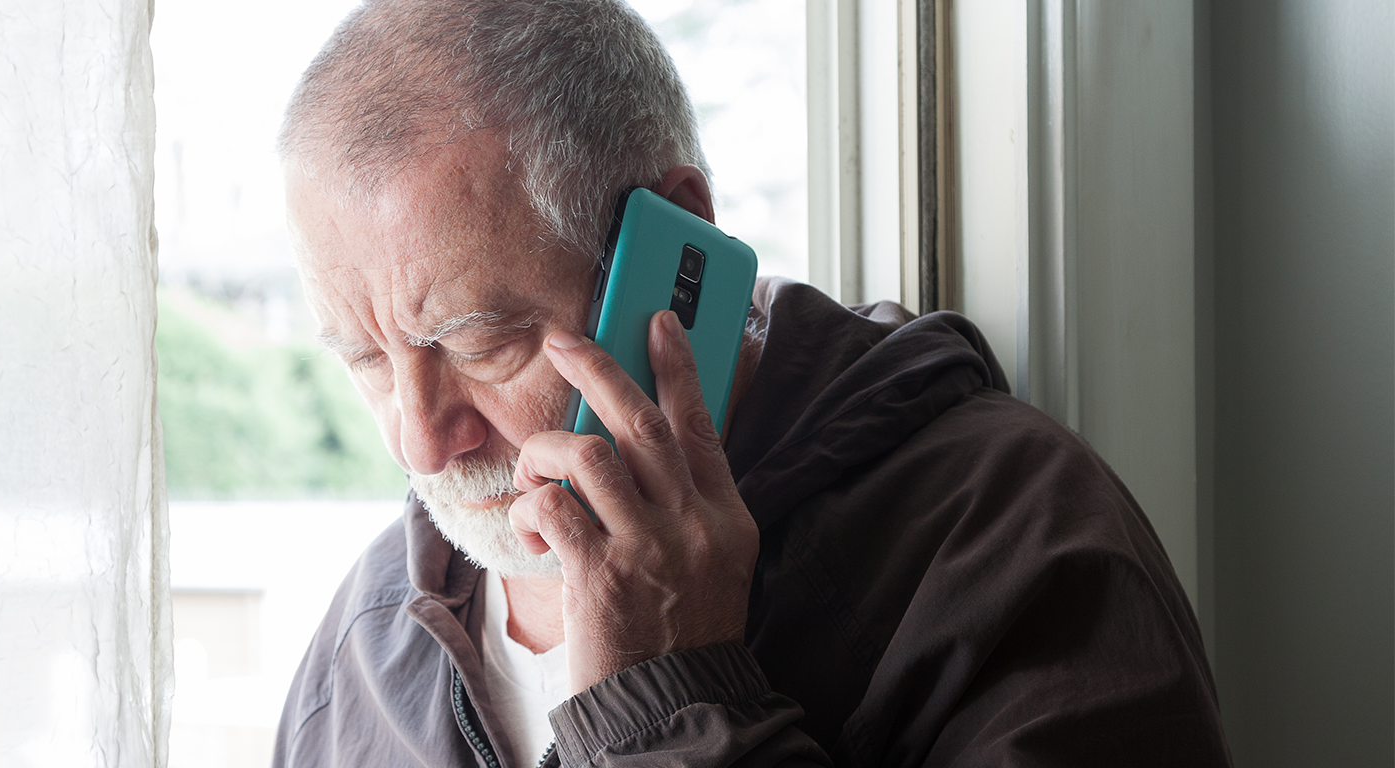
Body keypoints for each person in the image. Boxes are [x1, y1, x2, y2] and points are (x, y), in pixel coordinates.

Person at [272, 1, 1233, 766]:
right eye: (365, 361)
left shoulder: (1012, 547)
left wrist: (674, 699)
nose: (418, 442)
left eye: (480, 345)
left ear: (673, 248)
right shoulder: (367, 641)